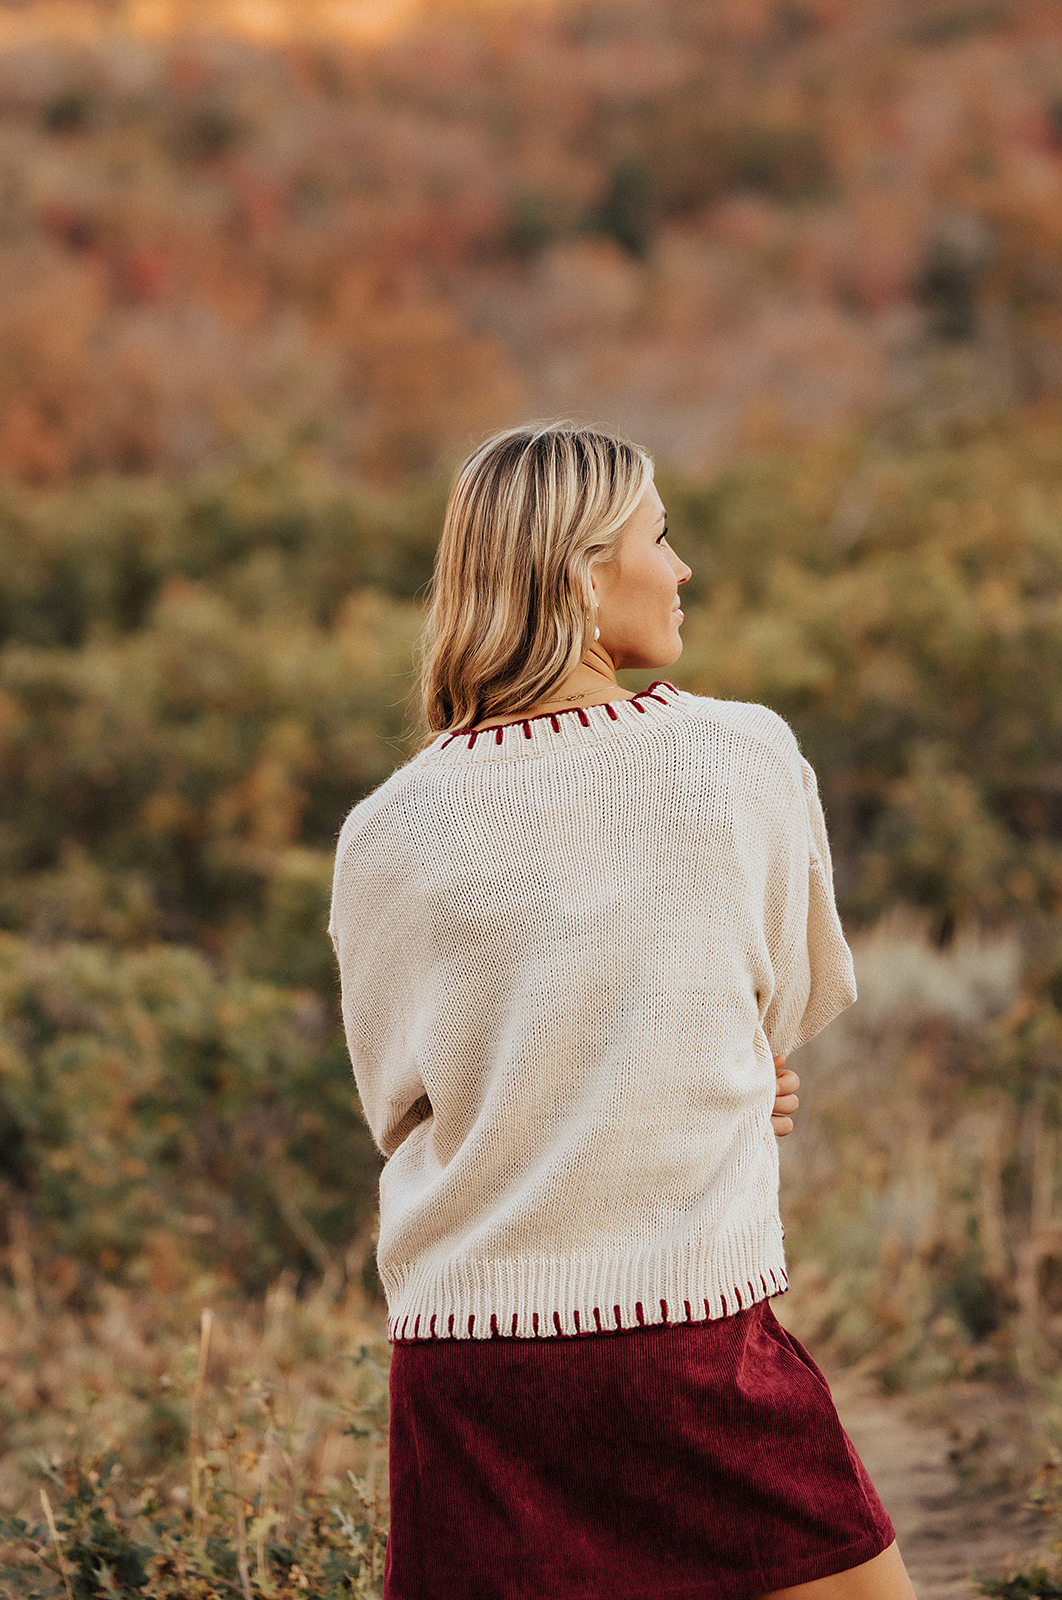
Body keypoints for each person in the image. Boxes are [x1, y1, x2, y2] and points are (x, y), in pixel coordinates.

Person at [329, 422, 916, 1600]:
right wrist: (726, 1072)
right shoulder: (741, 758)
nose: (681, 565)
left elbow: (397, 1100)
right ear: (587, 573)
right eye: (658, 535)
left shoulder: (384, 828)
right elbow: (781, 1006)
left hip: (470, 1365)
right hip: (683, 1340)